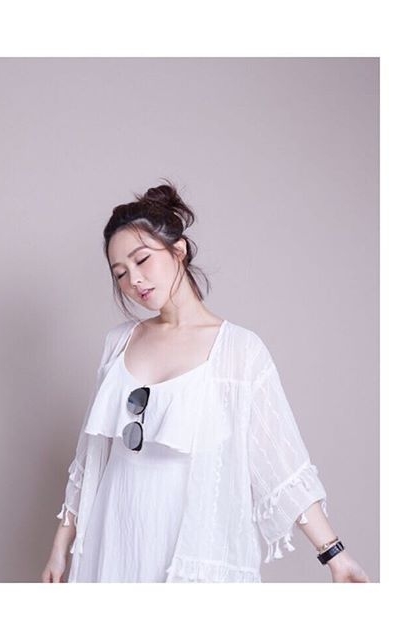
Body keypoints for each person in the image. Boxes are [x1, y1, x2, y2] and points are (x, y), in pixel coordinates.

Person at [41, 180, 370, 583]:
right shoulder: (118, 343)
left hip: (189, 542)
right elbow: (90, 456)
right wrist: (60, 547)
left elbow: (280, 463)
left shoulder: (239, 351)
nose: (134, 281)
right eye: (121, 273)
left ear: (178, 250)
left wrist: (335, 555)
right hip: (114, 536)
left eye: (142, 260)